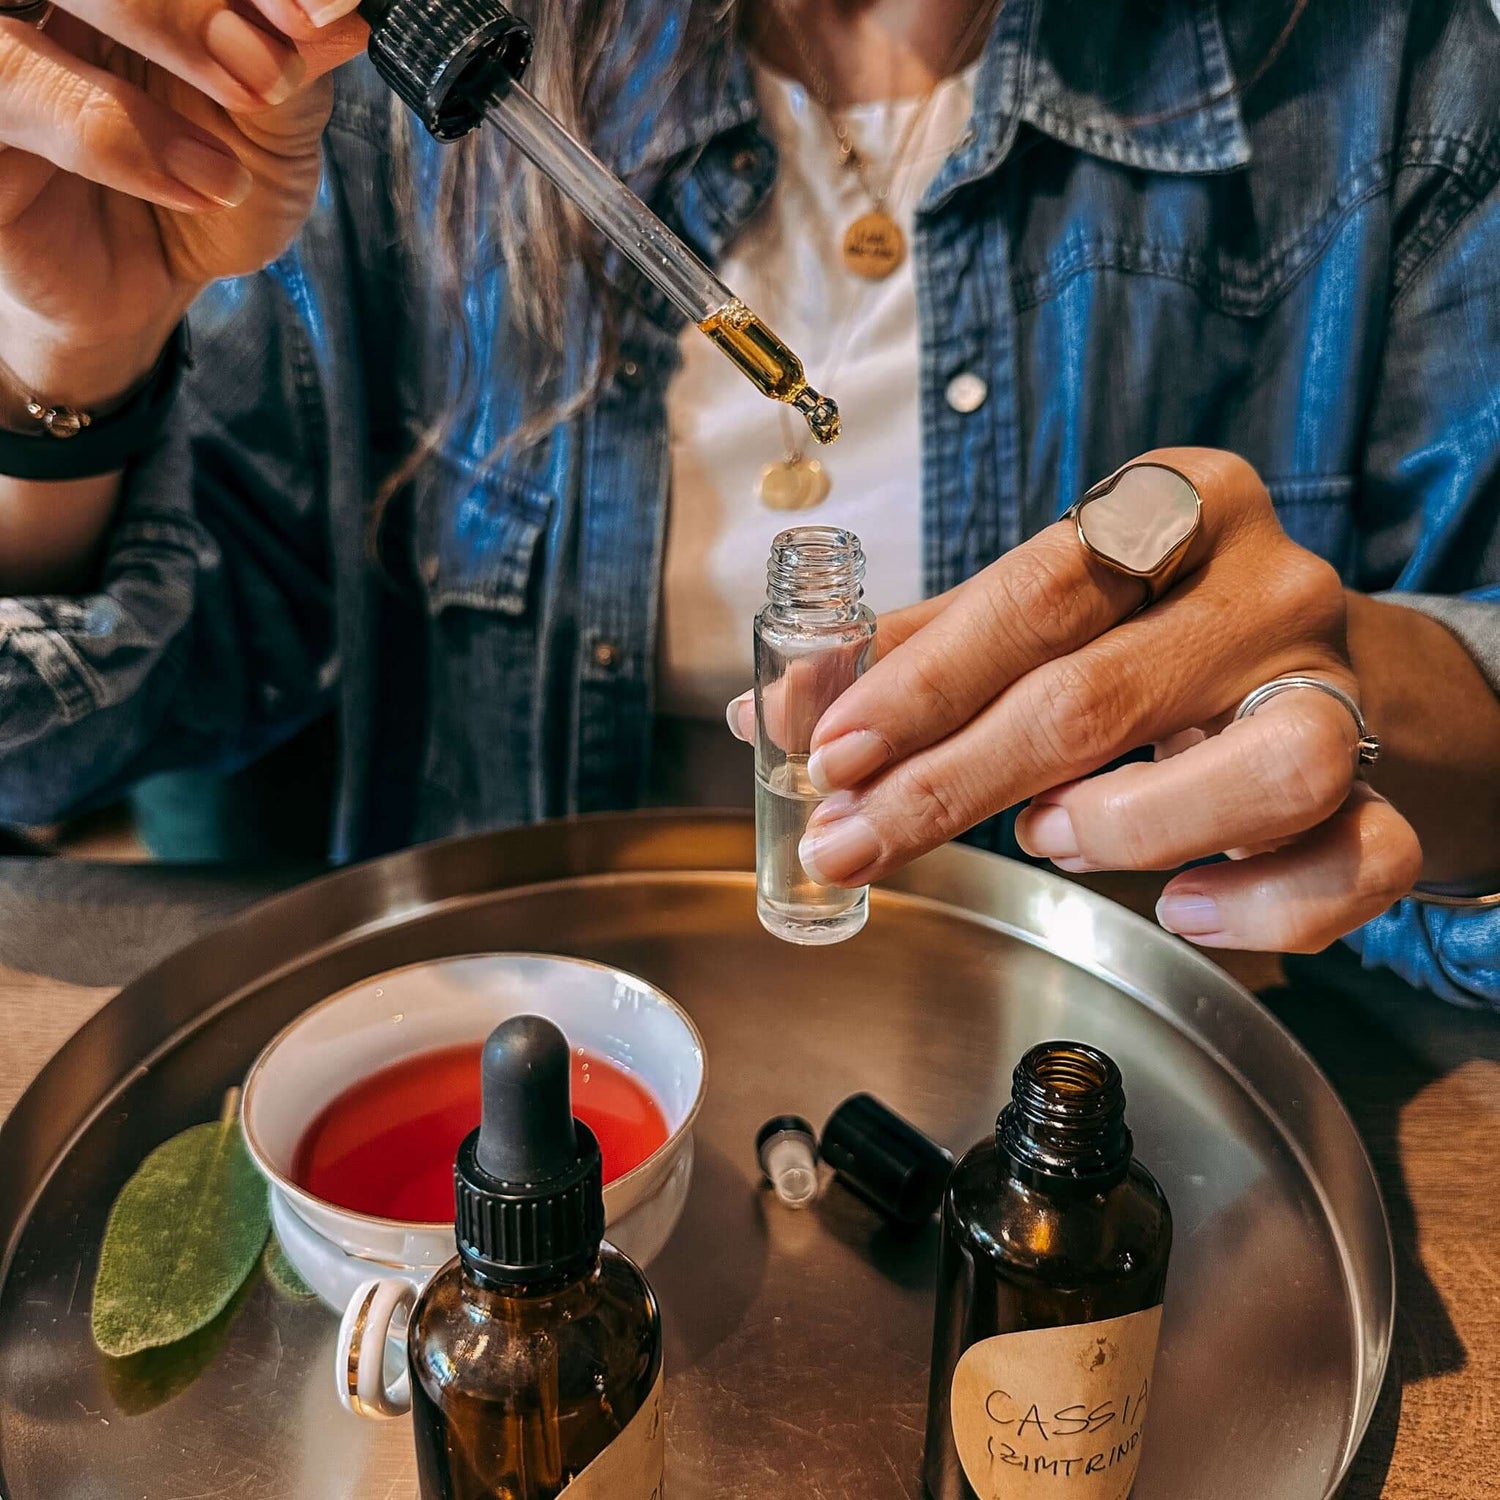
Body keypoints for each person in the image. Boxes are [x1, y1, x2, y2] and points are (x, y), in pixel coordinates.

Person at [0, 0, 1496, 1004]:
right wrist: (65, 361)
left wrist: (1362, 695)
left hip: (1084, 1080)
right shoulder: (358, 95)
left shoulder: (1384, 76)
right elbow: (76, 747)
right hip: (502, 1059)